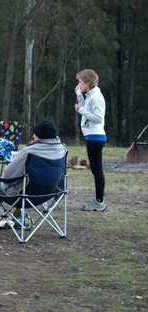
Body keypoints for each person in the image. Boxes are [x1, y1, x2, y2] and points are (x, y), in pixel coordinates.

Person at [0, 120, 67, 229]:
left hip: (23, 197)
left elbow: (8, 176)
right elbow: (62, 177)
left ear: (39, 136)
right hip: (46, 195)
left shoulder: (29, 152)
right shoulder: (62, 151)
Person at [75, 69, 107, 211]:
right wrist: (78, 94)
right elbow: (85, 106)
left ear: (87, 82)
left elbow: (98, 118)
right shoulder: (91, 95)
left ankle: (99, 202)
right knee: (95, 170)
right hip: (92, 137)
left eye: (80, 82)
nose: (79, 84)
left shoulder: (96, 97)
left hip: (95, 137)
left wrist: (81, 110)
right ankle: (98, 200)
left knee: (97, 170)